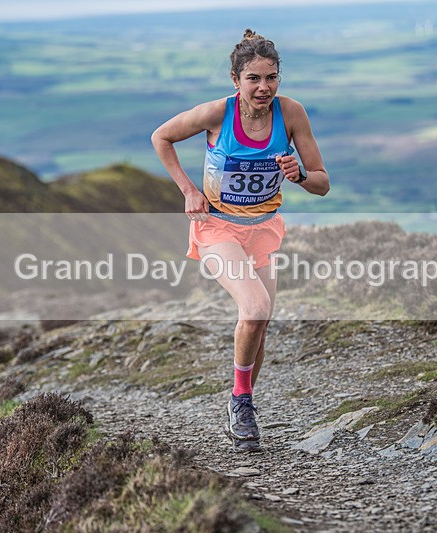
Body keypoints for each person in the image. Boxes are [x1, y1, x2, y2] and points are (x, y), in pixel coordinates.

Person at [151, 29, 329, 451]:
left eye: (271, 77)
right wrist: (189, 190)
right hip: (217, 227)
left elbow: (322, 183)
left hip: (263, 229)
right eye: (253, 78)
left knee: (259, 323)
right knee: (256, 306)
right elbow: (162, 137)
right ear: (236, 80)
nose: (263, 87)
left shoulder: (292, 114)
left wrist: (298, 175)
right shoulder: (217, 114)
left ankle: (242, 401)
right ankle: (241, 400)